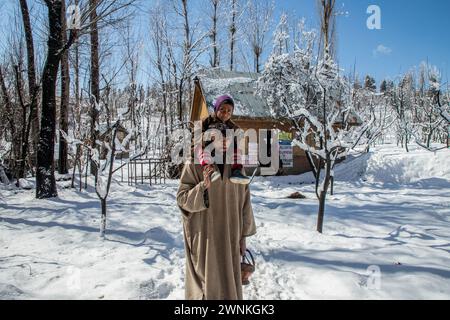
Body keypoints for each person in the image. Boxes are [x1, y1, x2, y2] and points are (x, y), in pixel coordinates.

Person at [177, 104, 257, 299]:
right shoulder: (195, 164)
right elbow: (182, 199)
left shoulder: (236, 169)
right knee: (206, 288)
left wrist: (243, 236)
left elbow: (245, 201)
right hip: (205, 237)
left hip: (231, 235)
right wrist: (202, 187)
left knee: (228, 290)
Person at [194, 95, 251, 185]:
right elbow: (195, 136)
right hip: (209, 149)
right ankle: (208, 167)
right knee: (199, 147)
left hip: (224, 152)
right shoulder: (206, 121)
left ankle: (236, 170)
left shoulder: (232, 126)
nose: (225, 113)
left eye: (229, 111)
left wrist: (230, 140)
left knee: (236, 148)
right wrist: (209, 136)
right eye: (222, 110)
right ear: (216, 109)